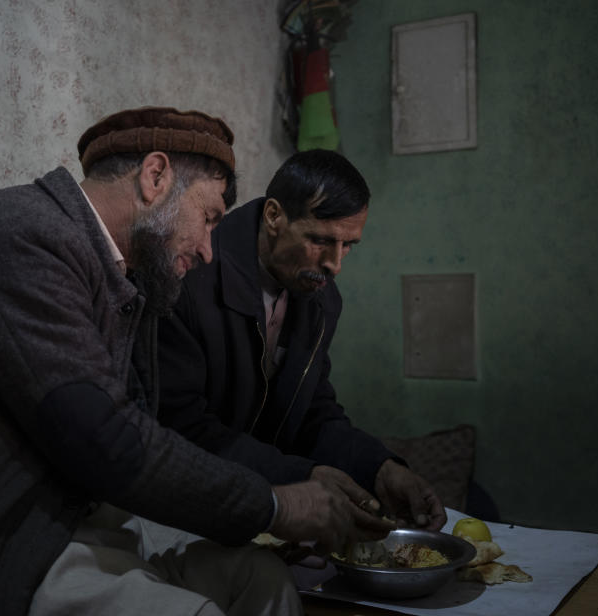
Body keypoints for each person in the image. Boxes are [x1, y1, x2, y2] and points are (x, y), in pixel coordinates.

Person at [0, 108, 393, 616]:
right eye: (208, 217)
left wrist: (317, 487)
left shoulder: (117, 277)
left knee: (260, 582)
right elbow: (110, 440)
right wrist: (278, 504)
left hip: (43, 521)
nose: (211, 250)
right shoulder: (22, 236)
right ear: (156, 177)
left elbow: (134, 430)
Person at [157, 148, 447, 532]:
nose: (335, 264)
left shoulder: (320, 299)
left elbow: (311, 411)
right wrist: (300, 476)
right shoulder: (190, 277)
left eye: (348, 246)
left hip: (263, 515)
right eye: (320, 240)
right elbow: (179, 427)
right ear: (274, 216)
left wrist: (379, 467)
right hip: (180, 516)